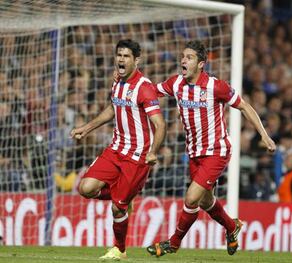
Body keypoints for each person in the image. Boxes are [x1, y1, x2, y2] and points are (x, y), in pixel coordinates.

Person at [145, 40, 276, 257]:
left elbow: (244, 105)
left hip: (217, 151)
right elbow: (150, 90)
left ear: (201, 64)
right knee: (206, 201)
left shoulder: (215, 86)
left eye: (189, 57)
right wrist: (128, 82)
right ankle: (232, 227)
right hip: (194, 153)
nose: (183, 60)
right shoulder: (176, 83)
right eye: (182, 56)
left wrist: (264, 135)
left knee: (191, 198)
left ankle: (174, 243)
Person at [71, 39, 166, 260]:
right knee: (85, 188)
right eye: (119, 55)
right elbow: (112, 109)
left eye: (126, 56)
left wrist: (153, 152)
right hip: (116, 149)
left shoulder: (144, 88)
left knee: (117, 209)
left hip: (137, 156)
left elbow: (160, 125)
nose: (121, 59)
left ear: (136, 60)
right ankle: (123, 195)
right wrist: (86, 128)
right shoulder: (117, 82)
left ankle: (119, 249)